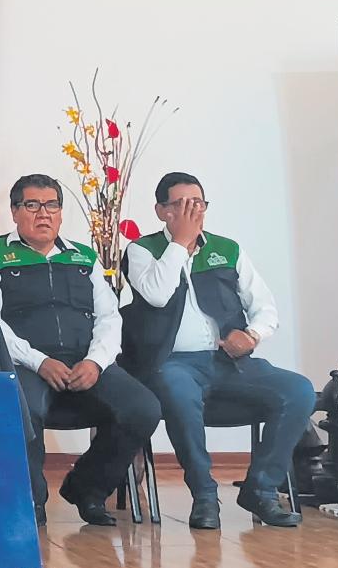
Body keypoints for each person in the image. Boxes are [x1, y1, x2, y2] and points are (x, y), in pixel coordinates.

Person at [0, 175, 160, 526]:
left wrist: (96, 362)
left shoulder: (83, 256)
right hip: (24, 364)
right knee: (20, 408)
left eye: (52, 205)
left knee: (143, 408)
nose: (43, 213)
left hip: (84, 362)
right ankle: (32, 503)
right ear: (14, 211)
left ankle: (88, 488)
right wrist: (39, 361)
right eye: (32, 205)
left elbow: (109, 316)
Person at [122, 172, 313, 529]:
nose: (192, 211)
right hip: (172, 363)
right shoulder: (142, 250)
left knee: (298, 390)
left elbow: (265, 307)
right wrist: (180, 243)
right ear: (161, 211)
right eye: (181, 204)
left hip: (229, 362)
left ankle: (261, 489)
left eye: (198, 203)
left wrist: (252, 335)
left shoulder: (226, 250)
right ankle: (205, 495)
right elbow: (157, 295)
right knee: (177, 388)